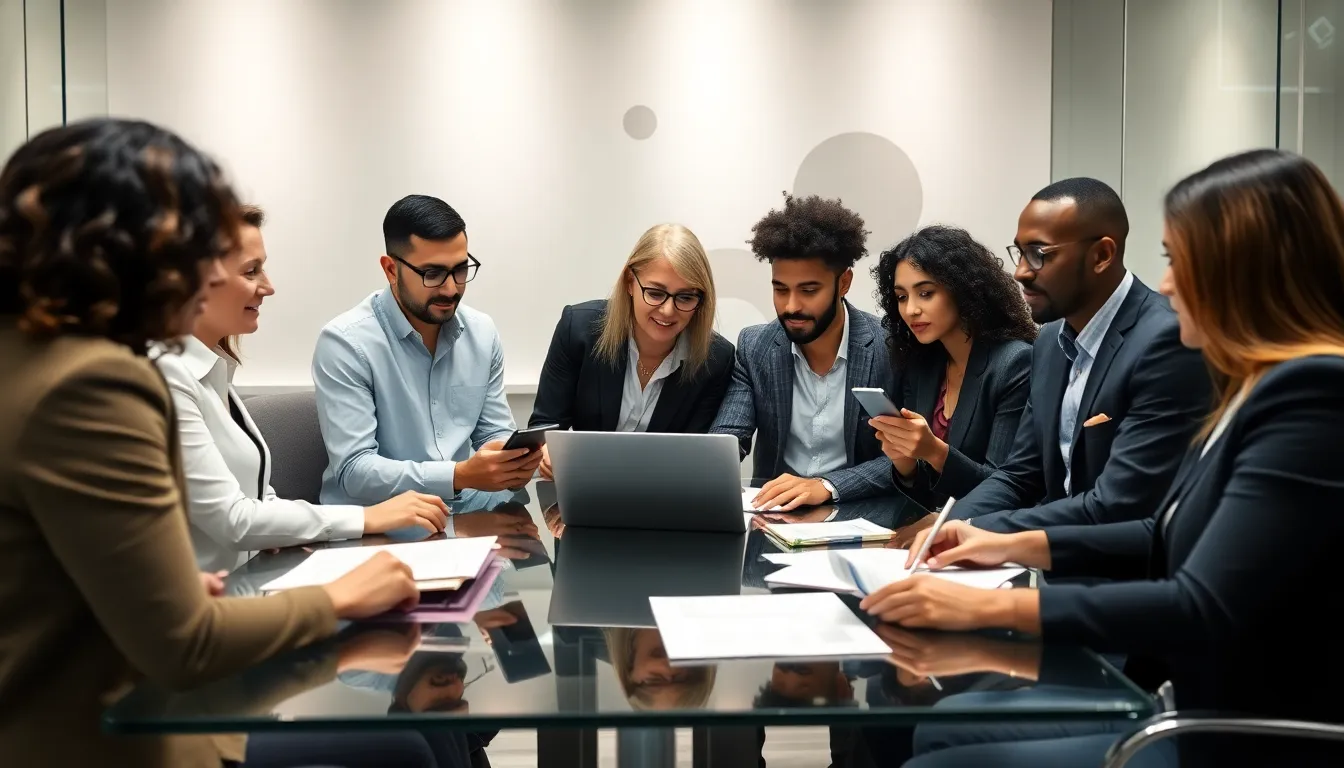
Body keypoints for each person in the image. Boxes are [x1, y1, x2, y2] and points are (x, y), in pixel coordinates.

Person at [862, 150, 1344, 767]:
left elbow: (1200, 604)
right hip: (1194, 698)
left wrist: (990, 603)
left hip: (1238, 731)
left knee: (938, 757)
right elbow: (1156, 532)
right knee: (939, 730)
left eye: (1179, 260)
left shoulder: (1312, 398)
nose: (1167, 284)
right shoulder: (1261, 385)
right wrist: (1006, 543)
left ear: (1246, 270)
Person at [0, 119, 419, 767]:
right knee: (405, 745)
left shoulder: (29, 358)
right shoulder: (92, 383)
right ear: (131, 252)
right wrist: (340, 598)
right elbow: (184, 645)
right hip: (99, 733)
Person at [155, 204, 450, 573]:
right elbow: (234, 520)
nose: (268, 286)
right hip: (212, 609)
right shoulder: (167, 377)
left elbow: (261, 500)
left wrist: (285, 531)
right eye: (251, 271)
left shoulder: (211, 371)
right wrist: (368, 518)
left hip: (251, 587)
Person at [922, 177, 1210, 534]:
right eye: (1020, 252)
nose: (1020, 271)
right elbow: (1020, 475)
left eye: (1039, 254)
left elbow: (1116, 505)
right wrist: (944, 526)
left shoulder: (1166, 341)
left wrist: (975, 530)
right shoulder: (1049, 341)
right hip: (1055, 558)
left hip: (1128, 575)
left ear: (1102, 255)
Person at [314, 195, 542, 506]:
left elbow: (494, 433)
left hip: (467, 518)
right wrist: (458, 475)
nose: (451, 289)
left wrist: (510, 460)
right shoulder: (345, 343)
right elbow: (355, 471)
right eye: (432, 274)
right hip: (382, 530)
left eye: (460, 270)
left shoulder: (481, 333)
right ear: (391, 270)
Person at [712, 193, 896, 509]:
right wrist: (706, 464)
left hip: (864, 518)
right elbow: (728, 440)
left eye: (809, 290)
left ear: (844, 283)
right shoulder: (754, 346)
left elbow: (908, 459)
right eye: (780, 289)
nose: (791, 306)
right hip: (776, 520)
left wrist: (827, 486)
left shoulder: (891, 346)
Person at [528, 224, 734, 480]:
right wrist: (547, 450)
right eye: (655, 293)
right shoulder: (579, 329)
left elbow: (696, 459)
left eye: (685, 297)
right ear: (629, 282)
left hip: (661, 498)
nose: (668, 311)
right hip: (582, 488)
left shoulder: (716, 359)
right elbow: (544, 426)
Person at [868, 225, 1037, 513]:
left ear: (963, 289)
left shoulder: (1014, 363)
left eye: (926, 293)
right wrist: (905, 464)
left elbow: (1006, 489)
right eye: (901, 297)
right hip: (934, 534)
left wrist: (934, 452)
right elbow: (926, 494)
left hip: (990, 538)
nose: (910, 310)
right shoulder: (922, 366)